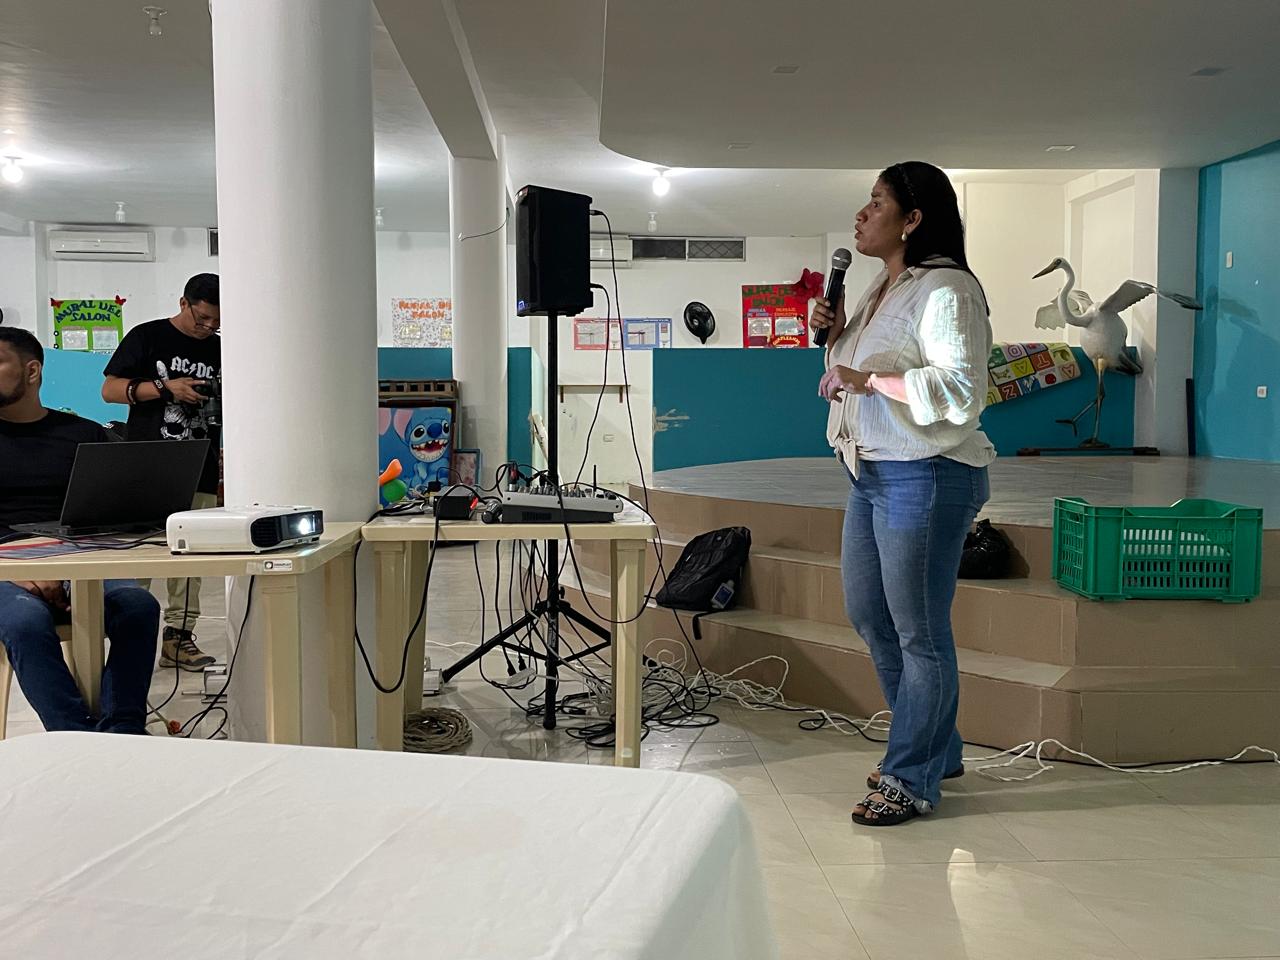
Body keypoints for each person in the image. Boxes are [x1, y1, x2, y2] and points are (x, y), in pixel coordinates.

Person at [810, 161, 994, 826]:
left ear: (913, 219)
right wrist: (836, 338)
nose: (862, 215)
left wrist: (865, 380)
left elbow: (959, 392)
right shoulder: (881, 287)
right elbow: (856, 372)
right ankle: (939, 749)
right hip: (870, 471)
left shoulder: (947, 290)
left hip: (928, 472)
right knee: (870, 615)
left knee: (919, 632)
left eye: (876, 203)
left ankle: (911, 775)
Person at [0, 326, 160, 733]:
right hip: (6, 568)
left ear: (32, 371)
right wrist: (18, 571)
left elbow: (115, 511)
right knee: (25, 622)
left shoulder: (83, 435)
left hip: (81, 559)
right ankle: (73, 736)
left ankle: (123, 732)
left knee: (138, 607)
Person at [102, 273, 221, 672]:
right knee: (141, 555)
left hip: (201, 465)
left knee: (192, 557)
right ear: (184, 303)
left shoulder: (222, 347)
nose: (208, 327)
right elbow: (110, 390)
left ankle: (179, 638)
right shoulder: (147, 336)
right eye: (202, 318)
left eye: (217, 322)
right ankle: (127, 638)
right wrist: (166, 388)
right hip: (147, 467)